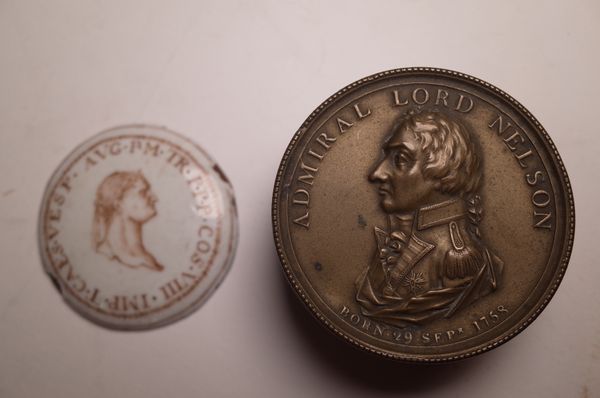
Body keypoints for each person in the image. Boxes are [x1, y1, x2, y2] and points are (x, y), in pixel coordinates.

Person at [355, 110, 503, 327]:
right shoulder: (401, 237)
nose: (376, 173)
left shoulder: (457, 257)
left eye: (400, 159)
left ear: (443, 169)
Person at [92, 171, 164, 271]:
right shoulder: (104, 256)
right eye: (143, 192)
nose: (155, 198)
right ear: (118, 204)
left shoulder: (148, 259)